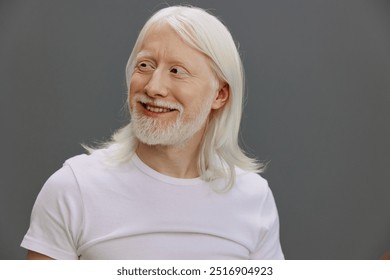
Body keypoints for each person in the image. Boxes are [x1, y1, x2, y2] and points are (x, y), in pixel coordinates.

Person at [21, 5, 284, 260]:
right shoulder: (73, 188)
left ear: (220, 94)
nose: (153, 87)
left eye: (177, 71)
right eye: (145, 65)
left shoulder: (254, 198)